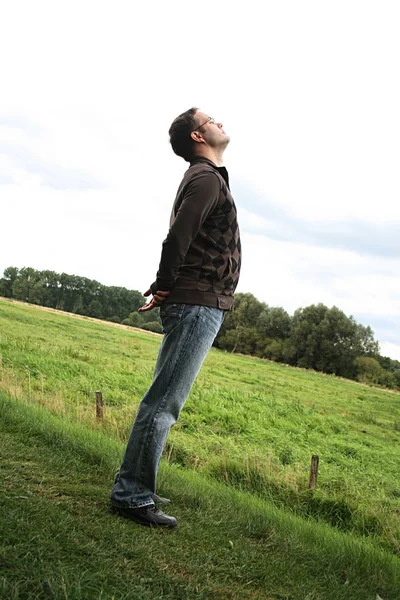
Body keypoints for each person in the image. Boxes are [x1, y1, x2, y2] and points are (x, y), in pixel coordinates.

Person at [110, 107, 241, 527]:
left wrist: (167, 286)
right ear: (199, 138)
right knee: (164, 403)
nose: (221, 121)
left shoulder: (208, 178)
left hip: (201, 302)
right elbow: (178, 236)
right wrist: (165, 283)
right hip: (197, 302)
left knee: (163, 399)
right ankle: (131, 495)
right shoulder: (205, 178)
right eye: (212, 120)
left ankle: (134, 484)